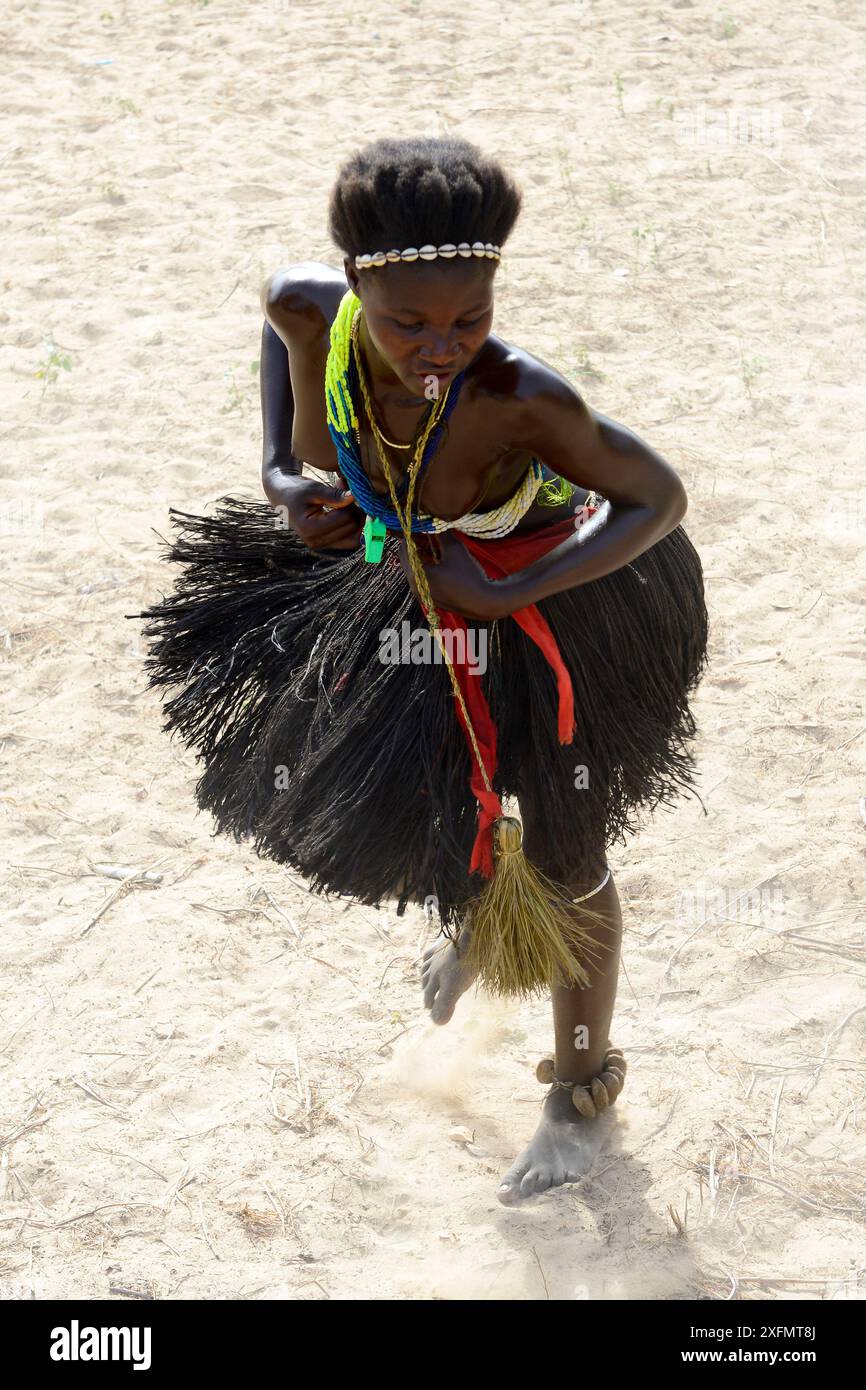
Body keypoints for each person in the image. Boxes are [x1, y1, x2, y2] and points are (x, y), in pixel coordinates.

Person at [141, 136, 708, 1203]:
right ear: (356, 288)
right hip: (427, 578)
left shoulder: (515, 395)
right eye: (408, 323)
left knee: (569, 841)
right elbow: (279, 336)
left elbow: (659, 499)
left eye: (468, 319)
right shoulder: (311, 309)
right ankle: (480, 919)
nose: (439, 347)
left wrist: (501, 595)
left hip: (570, 599)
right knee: (444, 779)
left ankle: (577, 1094)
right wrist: (278, 474)